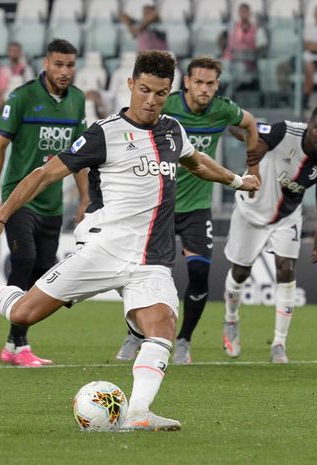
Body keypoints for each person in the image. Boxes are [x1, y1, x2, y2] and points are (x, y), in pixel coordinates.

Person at [0, 50, 259, 431]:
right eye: (144, 90)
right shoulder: (105, 133)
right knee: (24, 314)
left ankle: (138, 413)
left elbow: (197, 162)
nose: (151, 100)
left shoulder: (173, 130)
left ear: (170, 92)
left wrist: (237, 180)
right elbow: (43, 175)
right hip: (103, 250)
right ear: (130, 85)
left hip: (151, 260)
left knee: (163, 325)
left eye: (160, 93)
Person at [115, 55, 260, 365]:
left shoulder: (223, 110)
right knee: (142, 275)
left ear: (217, 85)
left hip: (197, 207)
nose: (204, 89)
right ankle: (135, 334)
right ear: (187, 84)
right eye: (198, 82)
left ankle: (184, 341)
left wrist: (253, 164)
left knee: (199, 274)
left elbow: (249, 123)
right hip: (159, 205)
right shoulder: (167, 105)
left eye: (210, 83)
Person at [0, 38, 88, 367]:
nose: (64, 71)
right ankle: (20, 344)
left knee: (44, 272)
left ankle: (11, 345)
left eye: (70, 65)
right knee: (24, 259)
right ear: (46, 63)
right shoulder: (22, 97)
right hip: (20, 197)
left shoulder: (77, 100)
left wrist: (85, 199)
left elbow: (80, 156)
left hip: (52, 204)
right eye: (58, 64)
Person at [221, 104, 317, 364]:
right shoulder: (285, 131)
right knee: (240, 272)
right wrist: (254, 153)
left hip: (287, 216)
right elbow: (245, 130)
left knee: (286, 270)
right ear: (309, 124)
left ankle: (279, 343)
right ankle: (231, 319)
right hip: (250, 210)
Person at [0, 42, 35, 124]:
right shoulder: (3, 69)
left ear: (20, 53)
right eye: (11, 51)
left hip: (21, 97)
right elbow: (0, 87)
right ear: (8, 53)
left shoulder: (26, 69)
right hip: (6, 97)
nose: (14, 53)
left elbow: (31, 87)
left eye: (16, 51)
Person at [223, 3, 266, 89]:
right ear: (239, 13)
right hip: (230, 59)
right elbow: (223, 40)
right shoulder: (233, 27)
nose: (244, 14)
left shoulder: (256, 29)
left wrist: (250, 50)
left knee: (239, 69)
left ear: (250, 13)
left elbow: (262, 46)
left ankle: (229, 92)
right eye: (242, 12)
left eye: (246, 12)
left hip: (247, 62)